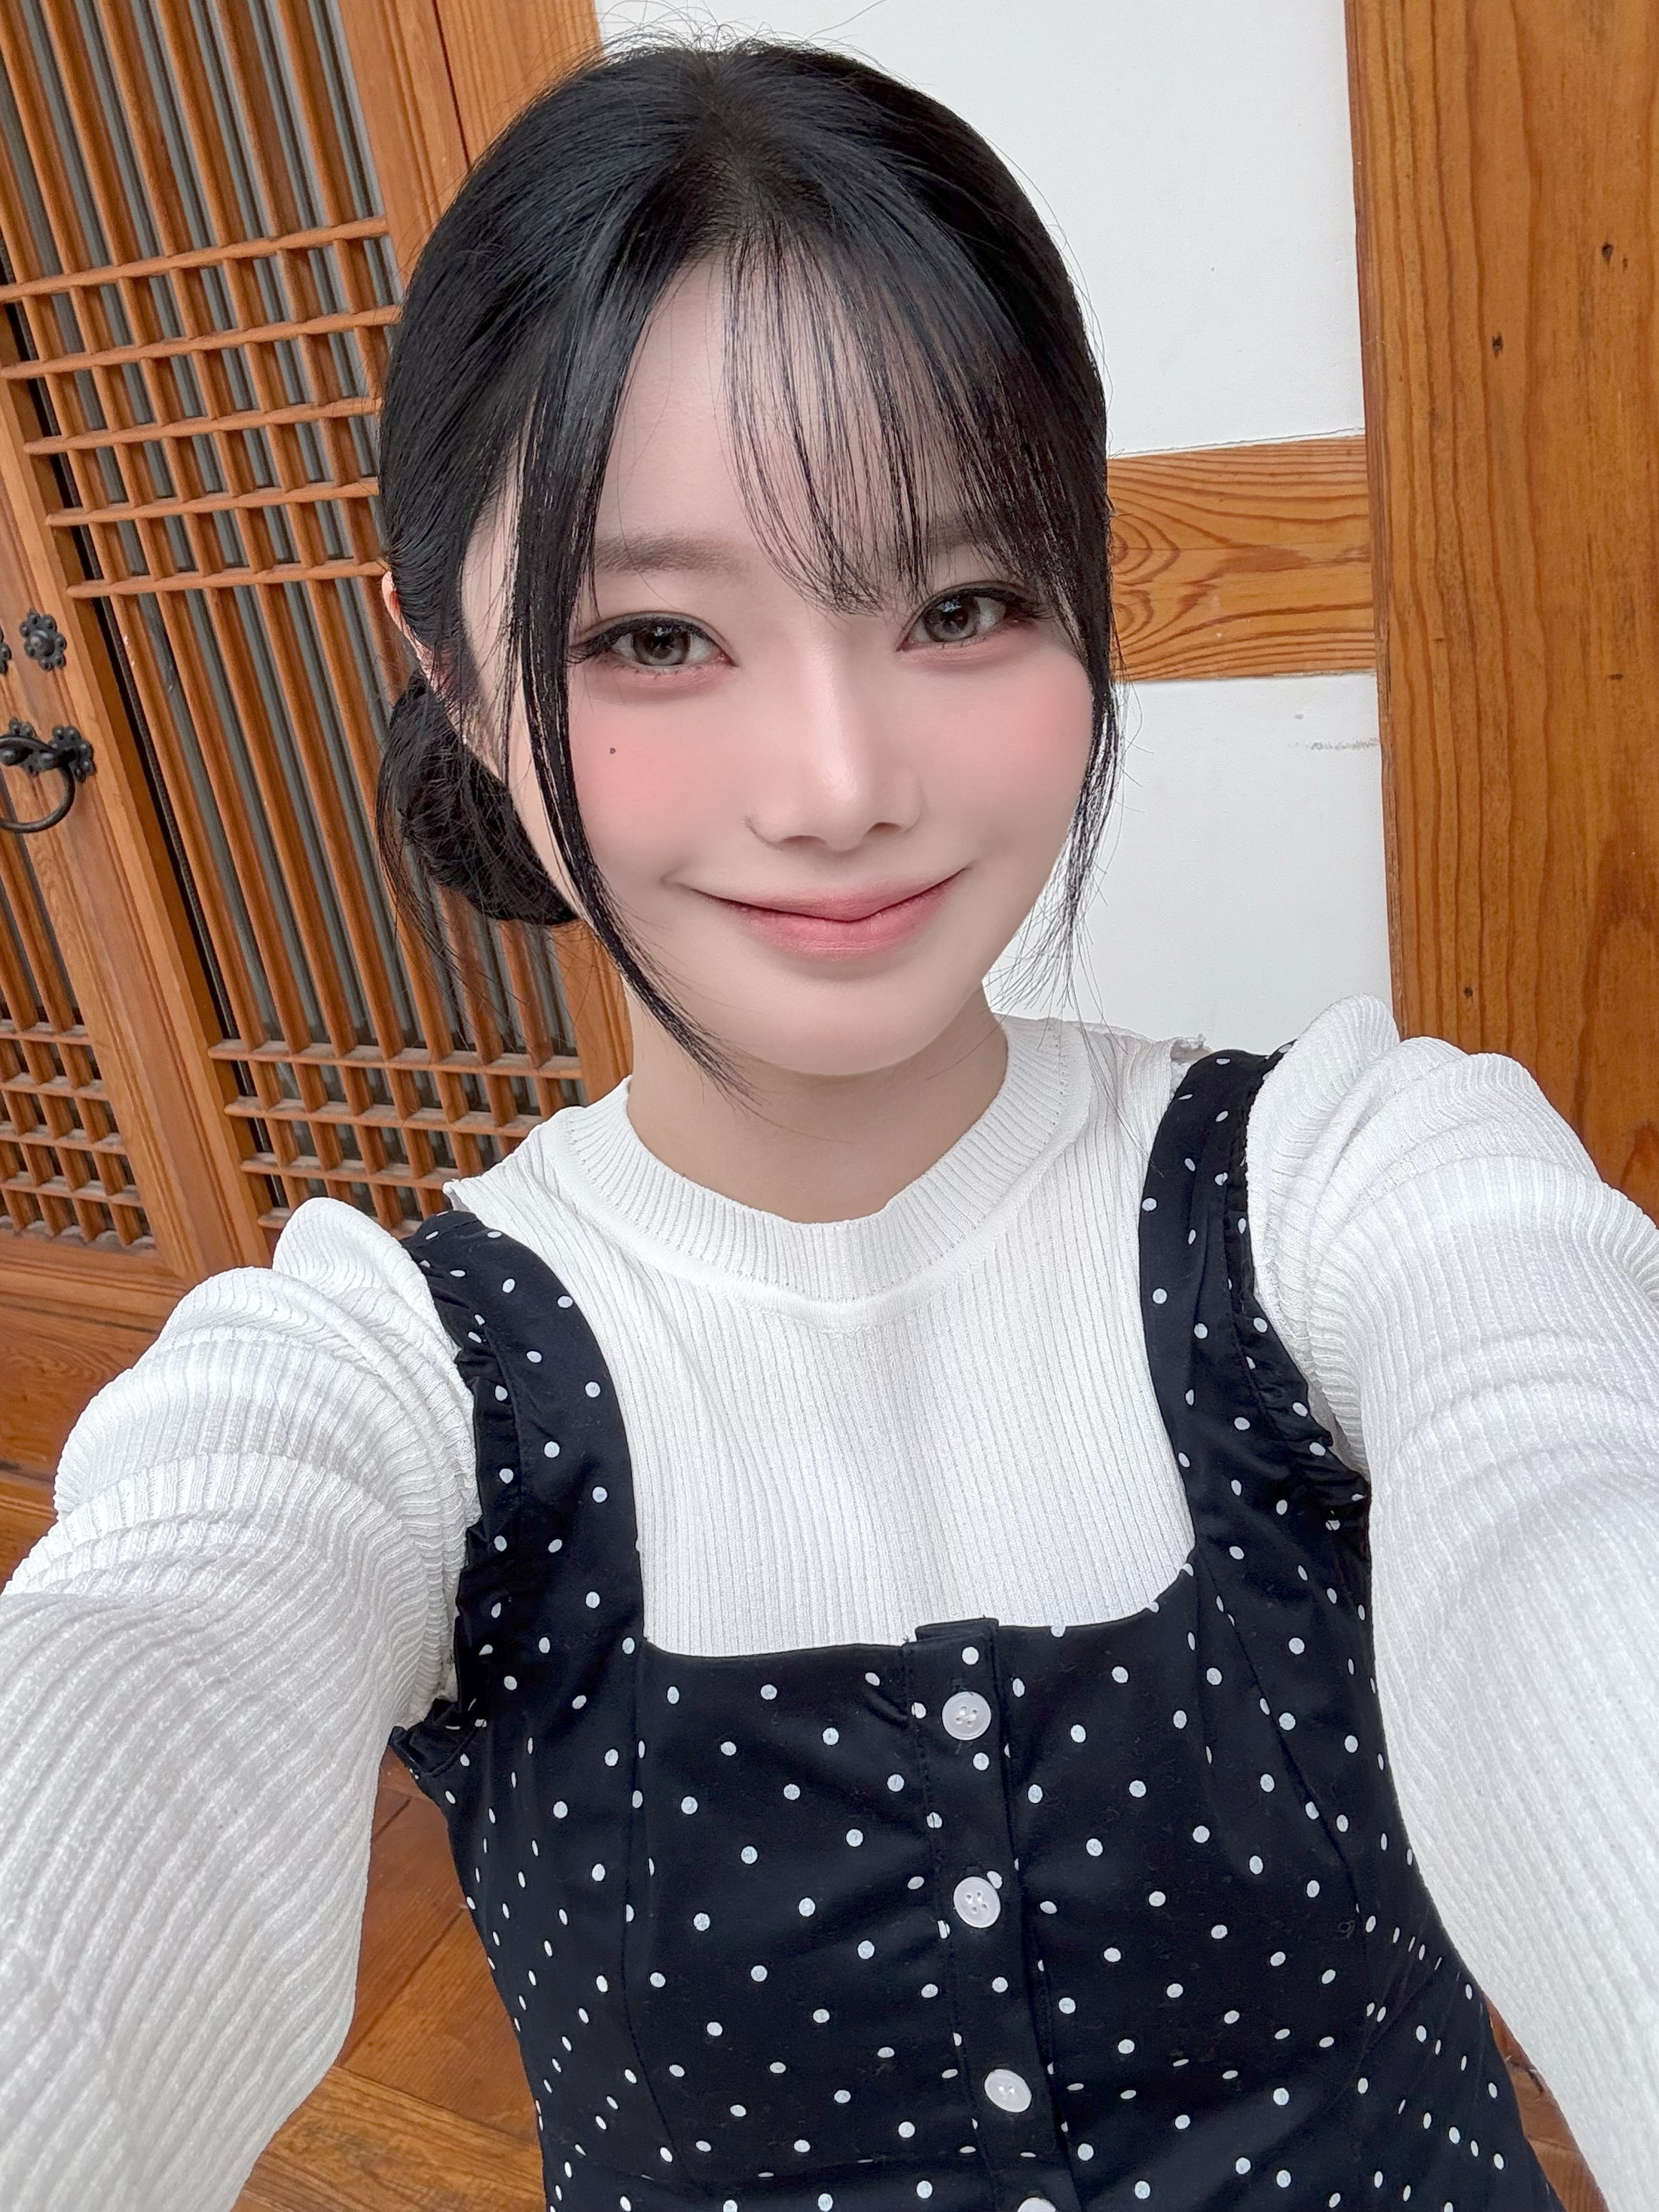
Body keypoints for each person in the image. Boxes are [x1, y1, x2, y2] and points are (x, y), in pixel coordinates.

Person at [1, 35, 1655, 2212]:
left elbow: (1575, 1506)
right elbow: (135, 1703)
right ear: (451, 668)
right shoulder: (374, 1383)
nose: (840, 783)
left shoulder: (1354, 1185)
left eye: (961, 605)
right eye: (653, 633)